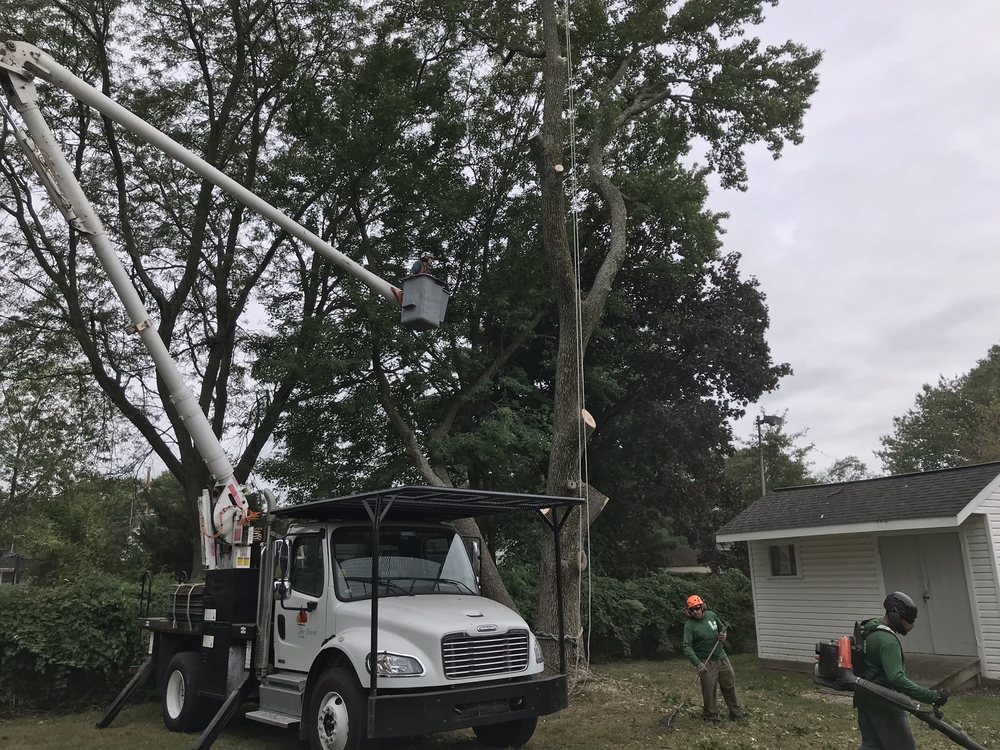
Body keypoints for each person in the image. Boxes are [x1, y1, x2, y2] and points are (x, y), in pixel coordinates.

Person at [854, 591, 949, 750]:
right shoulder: (888, 641)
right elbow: (896, 678)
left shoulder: (870, 628)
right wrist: (931, 696)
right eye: (909, 620)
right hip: (886, 704)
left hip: (865, 701)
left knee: (872, 746)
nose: (912, 625)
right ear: (896, 616)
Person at [682, 594, 744, 723]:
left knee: (729, 685)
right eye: (691, 610)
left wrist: (723, 635)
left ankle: (736, 713)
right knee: (709, 690)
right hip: (706, 661)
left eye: (697, 608)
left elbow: (722, 628)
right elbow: (686, 646)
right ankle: (711, 717)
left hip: (722, 657)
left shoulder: (711, 615)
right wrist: (698, 663)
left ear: (702, 607)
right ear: (688, 612)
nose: (695, 611)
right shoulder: (690, 625)